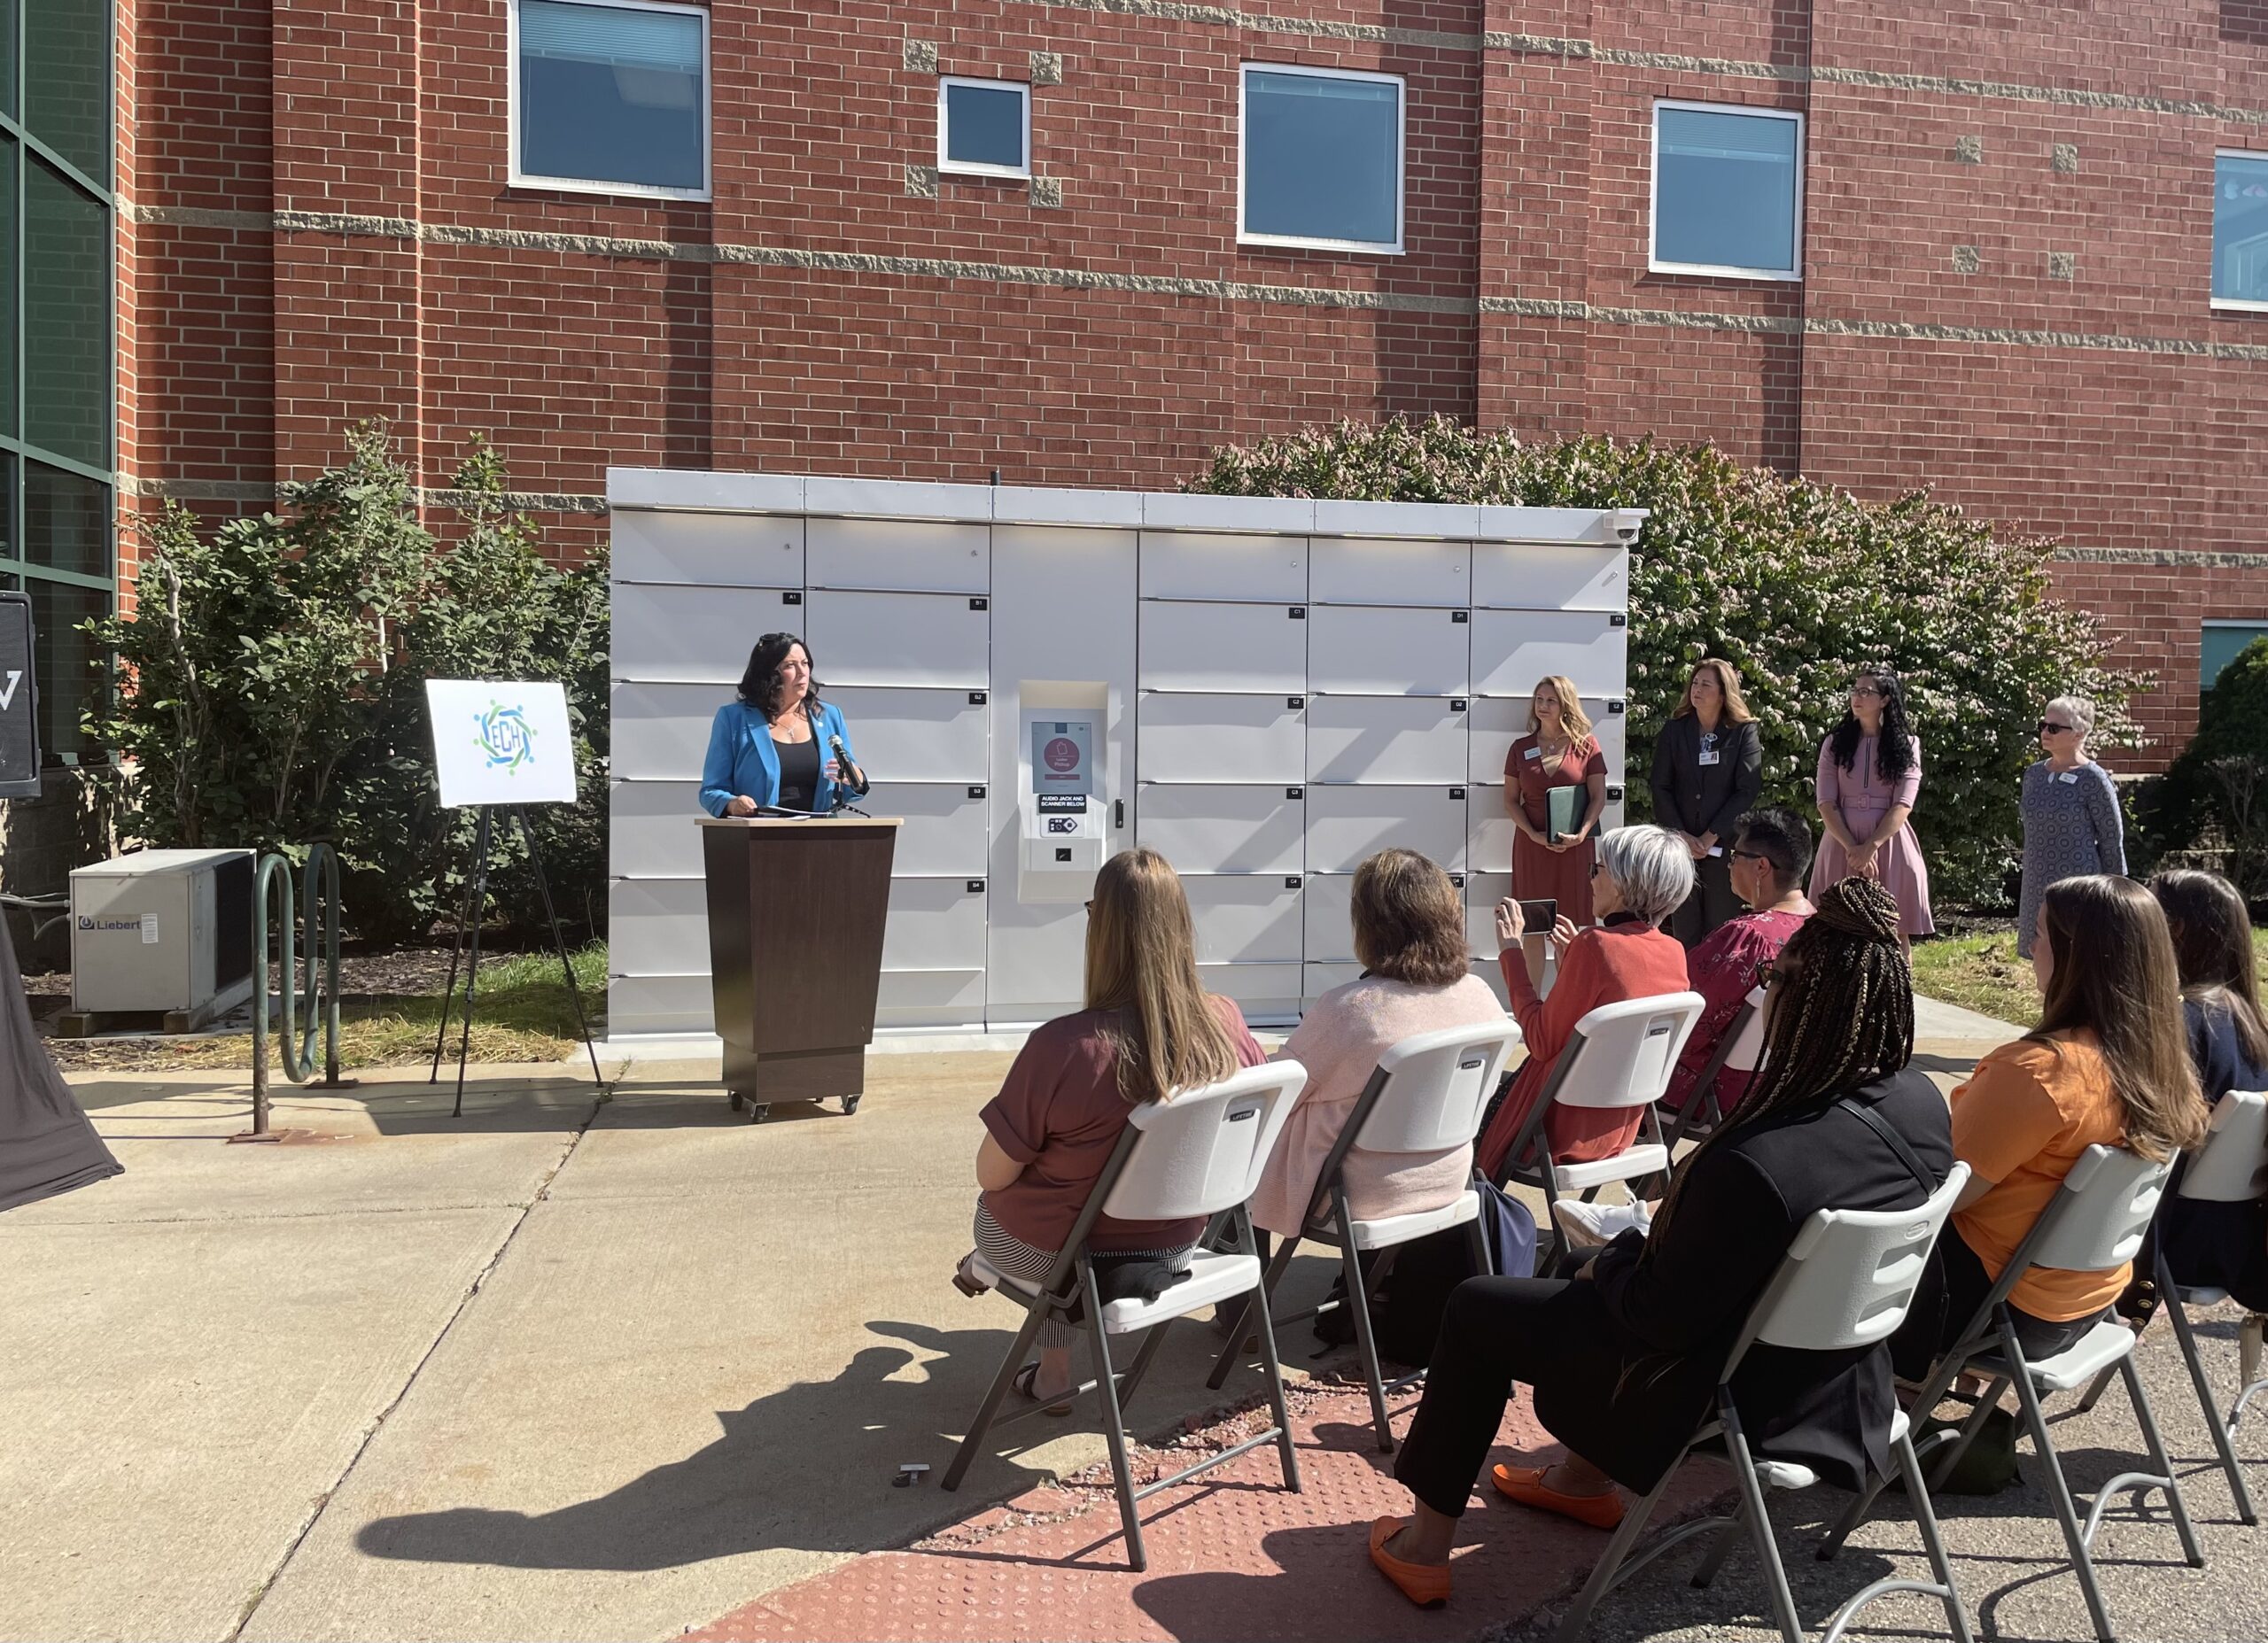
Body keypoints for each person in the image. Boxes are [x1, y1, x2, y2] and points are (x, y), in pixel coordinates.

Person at [1366, 880, 1954, 1606]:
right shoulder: (1923, 1104)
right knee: (1586, 1261)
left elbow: (1655, 1318)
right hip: (1833, 1373)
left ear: (1806, 1001)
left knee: (1477, 1306)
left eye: (1774, 981)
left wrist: (1616, 1257)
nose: (1767, 994)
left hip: (1722, 1394)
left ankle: (1423, 1546)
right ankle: (1579, 1482)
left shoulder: (1759, 1158)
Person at [953, 848, 1269, 1411]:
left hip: (1070, 1262)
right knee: (1064, 1217)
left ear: (1100, 930)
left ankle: (1020, 1322)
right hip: (1174, 1247)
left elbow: (992, 1173)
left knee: (1014, 1213)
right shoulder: (1227, 1023)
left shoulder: (1065, 1046)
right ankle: (1044, 1363)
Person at [1889, 875, 2208, 1379]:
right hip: (2087, 1301)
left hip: (2000, 1311)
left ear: (2075, 956)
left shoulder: (2040, 1072)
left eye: (2038, 934)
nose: (2028, 948)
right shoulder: (2157, 1063)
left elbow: (1939, 1200)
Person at [1250, 850, 1506, 1239]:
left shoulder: (1354, 1010)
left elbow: (1278, 1091)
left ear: (1369, 925)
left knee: (1240, 1142)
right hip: (1448, 1178)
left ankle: (1247, 1289)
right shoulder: (1481, 997)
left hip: (1359, 1192)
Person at [1474, 825, 1693, 1181]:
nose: (1589, 879)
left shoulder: (1595, 946)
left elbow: (1541, 1040)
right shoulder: (1674, 952)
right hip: (1618, 1129)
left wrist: (1511, 951)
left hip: (1554, 1133)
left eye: (1597, 869)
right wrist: (1571, 964)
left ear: (1624, 881)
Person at [2144, 870, 2268, 1309]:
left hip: (2165, 1250)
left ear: (2174, 929)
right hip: (2234, 1247)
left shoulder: (2182, 1021)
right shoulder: (2255, 1024)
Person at [1659, 808, 1815, 1120]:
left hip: (1724, 1094)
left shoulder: (1748, 938)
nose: (1729, 866)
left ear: (1761, 866)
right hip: (1797, 1088)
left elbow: (1682, 1019)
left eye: (1734, 857)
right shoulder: (1822, 930)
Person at [1811, 666, 1932, 947]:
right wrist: (1853, 847)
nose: (1857, 697)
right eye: (1855, 690)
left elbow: (1903, 803)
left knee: (1894, 930)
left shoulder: (1908, 745)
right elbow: (1826, 802)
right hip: (1840, 841)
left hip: (1890, 844)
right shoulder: (1834, 744)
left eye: (1866, 691)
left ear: (1885, 700)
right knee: (1834, 929)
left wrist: (1871, 846)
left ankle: (1897, 989)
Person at [1648, 658, 1763, 948]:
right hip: (1681, 847)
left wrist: (1712, 834)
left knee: (1720, 928)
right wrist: (1682, 835)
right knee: (1684, 928)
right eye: (1695, 683)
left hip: (1724, 848)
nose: (1696, 690)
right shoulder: (1675, 730)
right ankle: (1685, 990)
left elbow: (1747, 790)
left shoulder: (1742, 732)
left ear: (1723, 694)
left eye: (1705, 685)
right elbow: (1660, 786)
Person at [699, 632, 866, 817]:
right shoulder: (734, 718)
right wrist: (731, 804)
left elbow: (852, 791)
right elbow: (711, 791)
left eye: (805, 663)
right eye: (790, 666)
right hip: (760, 836)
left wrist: (855, 778)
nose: (802, 672)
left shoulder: (829, 716)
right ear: (769, 673)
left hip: (820, 837)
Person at [2017, 695, 2125, 959]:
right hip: (2036, 880)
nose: (2045, 732)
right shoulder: (2033, 776)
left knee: (2076, 958)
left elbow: (2112, 840)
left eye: (2054, 728)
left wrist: (2117, 895)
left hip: (2078, 883)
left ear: (2079, 734)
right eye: (2042, 725)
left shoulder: (2094, 779)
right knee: (2043, 958)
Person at [1504, 676, 1610, 927]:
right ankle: (1529, 970)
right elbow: (1510, 801)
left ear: (1566, 704)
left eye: (1551, 700)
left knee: (1569, 926)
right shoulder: (1520, 748)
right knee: (1532, 924)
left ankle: (1570, 969)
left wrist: (1582, 834)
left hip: (1575, 846)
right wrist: (1533, 835)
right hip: (1532, 845)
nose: (1543, 705)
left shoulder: (1587, 745)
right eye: (1539, 699)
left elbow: (1598, 796)